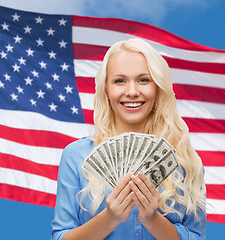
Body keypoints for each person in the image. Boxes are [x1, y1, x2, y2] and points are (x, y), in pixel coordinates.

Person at [51, 38, 206, 240]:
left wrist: (152, 218)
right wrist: (110, 217)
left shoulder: (185, 161)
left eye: (143, 80)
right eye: (119, 81)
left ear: (158, 87)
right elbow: (60, 236)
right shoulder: (76, 155)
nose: (132, 92)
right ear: (106, 89)